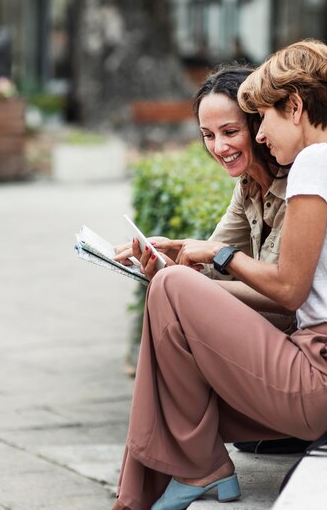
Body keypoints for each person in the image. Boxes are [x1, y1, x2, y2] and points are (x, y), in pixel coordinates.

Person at [112, 40, 327, 510]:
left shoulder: (316, 161)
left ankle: (189, 474)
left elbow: (289, 290)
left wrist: (219, 254)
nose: (258, 136)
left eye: (262, 118)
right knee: (174, 296)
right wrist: (201, 261)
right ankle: (193, 469)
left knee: (170, 286)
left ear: (294, 107)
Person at [115, 63, 294, 333]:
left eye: (230, 132)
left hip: (296, 339)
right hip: (265, 330)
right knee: (173, 314)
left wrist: (184, 284)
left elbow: (286, 296)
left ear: (259, 123)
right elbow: (212, 265)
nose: (219, 147)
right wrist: (168, 260)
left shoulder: (298, 187)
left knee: (177, 319)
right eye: (208, 135)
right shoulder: (247, 187)